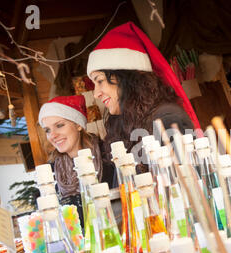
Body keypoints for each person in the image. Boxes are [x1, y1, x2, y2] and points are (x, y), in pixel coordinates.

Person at [86, 21, 202, 188]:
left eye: (100, 81)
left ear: (124, 78)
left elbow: (183, 188)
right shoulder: (124, 125)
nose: (96, 93)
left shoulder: (167, 117)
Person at [38, 95, 107, 228]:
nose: (53, 135)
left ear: (78, 125)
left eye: (59, 125)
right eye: (47, 130)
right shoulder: (51, 172)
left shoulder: (107, 155)